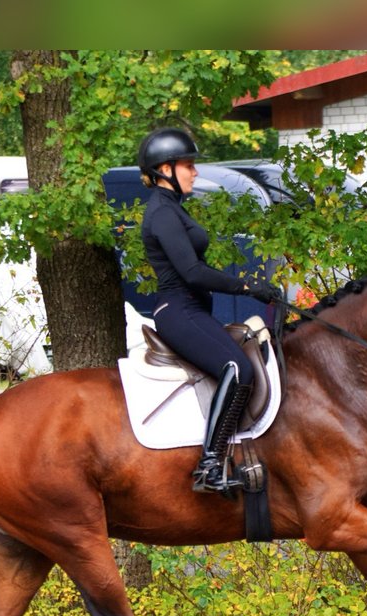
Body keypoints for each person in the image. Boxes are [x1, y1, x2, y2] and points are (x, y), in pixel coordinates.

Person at [138, 126, 282, 493]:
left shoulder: (172, 210)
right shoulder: (162, 214)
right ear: (164, 169)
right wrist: (249, 287)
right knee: (236, 368)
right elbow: (192, 272)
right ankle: (209, 467)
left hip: (192, 310)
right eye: (188, 165)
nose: (195, 172)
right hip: (178, 309)